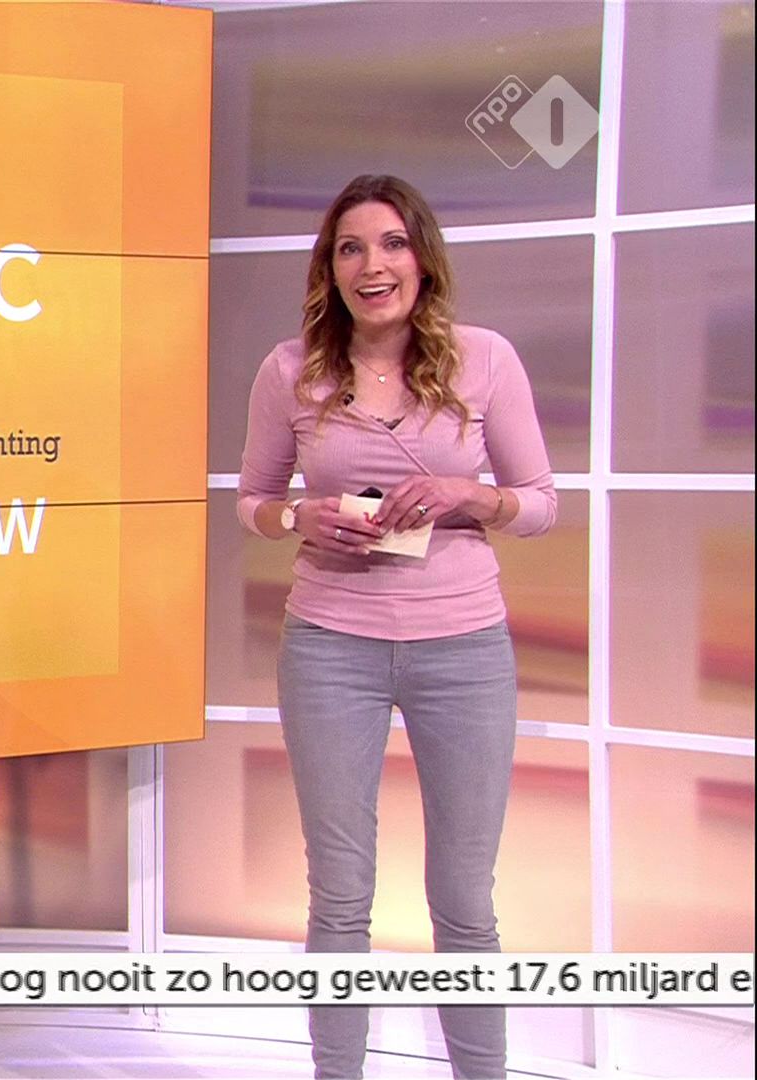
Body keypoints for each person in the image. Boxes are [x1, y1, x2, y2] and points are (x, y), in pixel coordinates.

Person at [236, 174, 557, 1079]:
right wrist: (297, 516)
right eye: (350, 248)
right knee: (339, 899)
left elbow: (540, 504)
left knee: (464, 903)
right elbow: (253, 501)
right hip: (329, 648)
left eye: (390, 244)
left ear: (422, 258)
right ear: (329, 269)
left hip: (465, 650)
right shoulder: (289, 370)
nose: (371, 265)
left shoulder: (485, 359)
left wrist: (469, 495)